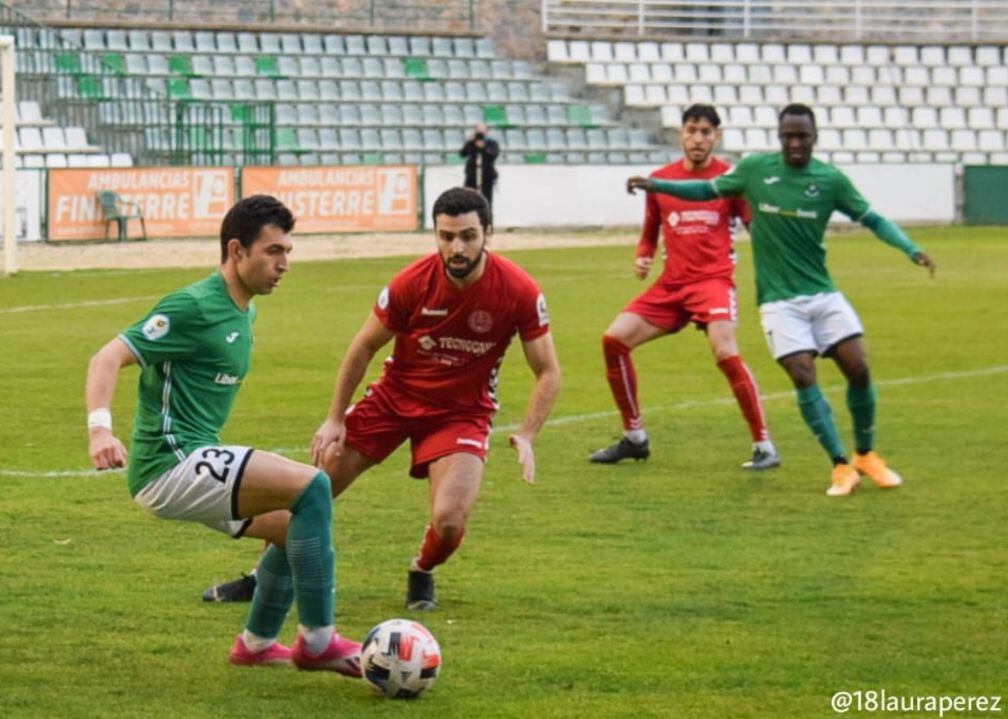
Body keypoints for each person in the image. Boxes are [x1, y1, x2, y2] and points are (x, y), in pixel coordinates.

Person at [86, 195, 361, 673]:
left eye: (288, 252)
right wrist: (100, 432)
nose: (285, 264)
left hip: (192, 459)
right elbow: (107, 357)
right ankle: (319, 642)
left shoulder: (245, 312)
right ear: (237, 251)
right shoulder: (193, 306)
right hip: (170, 464)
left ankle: (254, 645)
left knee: (295, 526)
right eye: (274, 251)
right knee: (314, 487)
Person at [629, 103, 936, 496]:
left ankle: (866, 455)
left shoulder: (829, 180)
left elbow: (872, 218)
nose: (794, 143)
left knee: (858, 368)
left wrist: (910, 249)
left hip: (823, 294)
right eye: (788, 135)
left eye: (802, 136)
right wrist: (659, 185)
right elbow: (706, 190)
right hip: (778, 302)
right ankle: (840, 465)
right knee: (803, 374)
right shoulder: (757, 171)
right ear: (779, 137)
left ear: (814, 138)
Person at [309, 186, 561, 610]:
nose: (456, 247)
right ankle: (261, 574)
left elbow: (548, 371)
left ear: (488, 234)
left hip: (462, 413)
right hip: (394, 398)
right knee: (312, 489)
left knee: (448, 521)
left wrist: (529, 434)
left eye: (467, 236)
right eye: (446, 237)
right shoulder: (412, 282)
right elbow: (364, 346)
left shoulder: (519, 290)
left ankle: (421, 570)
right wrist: (335, 417)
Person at [590, 104, 779, 470]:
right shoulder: (661, 180)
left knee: (725, 351)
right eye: (691, 130)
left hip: (713, 282)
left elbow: (756, 228)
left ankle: (764, 445)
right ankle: (635, 437)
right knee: (613, 341)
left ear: (717, 137)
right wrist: (643, 256)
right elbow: (649, 234)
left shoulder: (731, 180)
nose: (697, 138)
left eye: (706, 132)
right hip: (672, 285)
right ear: (681, 133)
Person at [461, 123, 500, 211]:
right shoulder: (471, 143)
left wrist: (484, 147)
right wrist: (468, 142)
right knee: (469, 199)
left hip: (486, 175)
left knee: (487, 200)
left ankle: (487, 222)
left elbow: (493, 155)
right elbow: (463, 154)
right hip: (472, 175)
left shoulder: (492, 143)